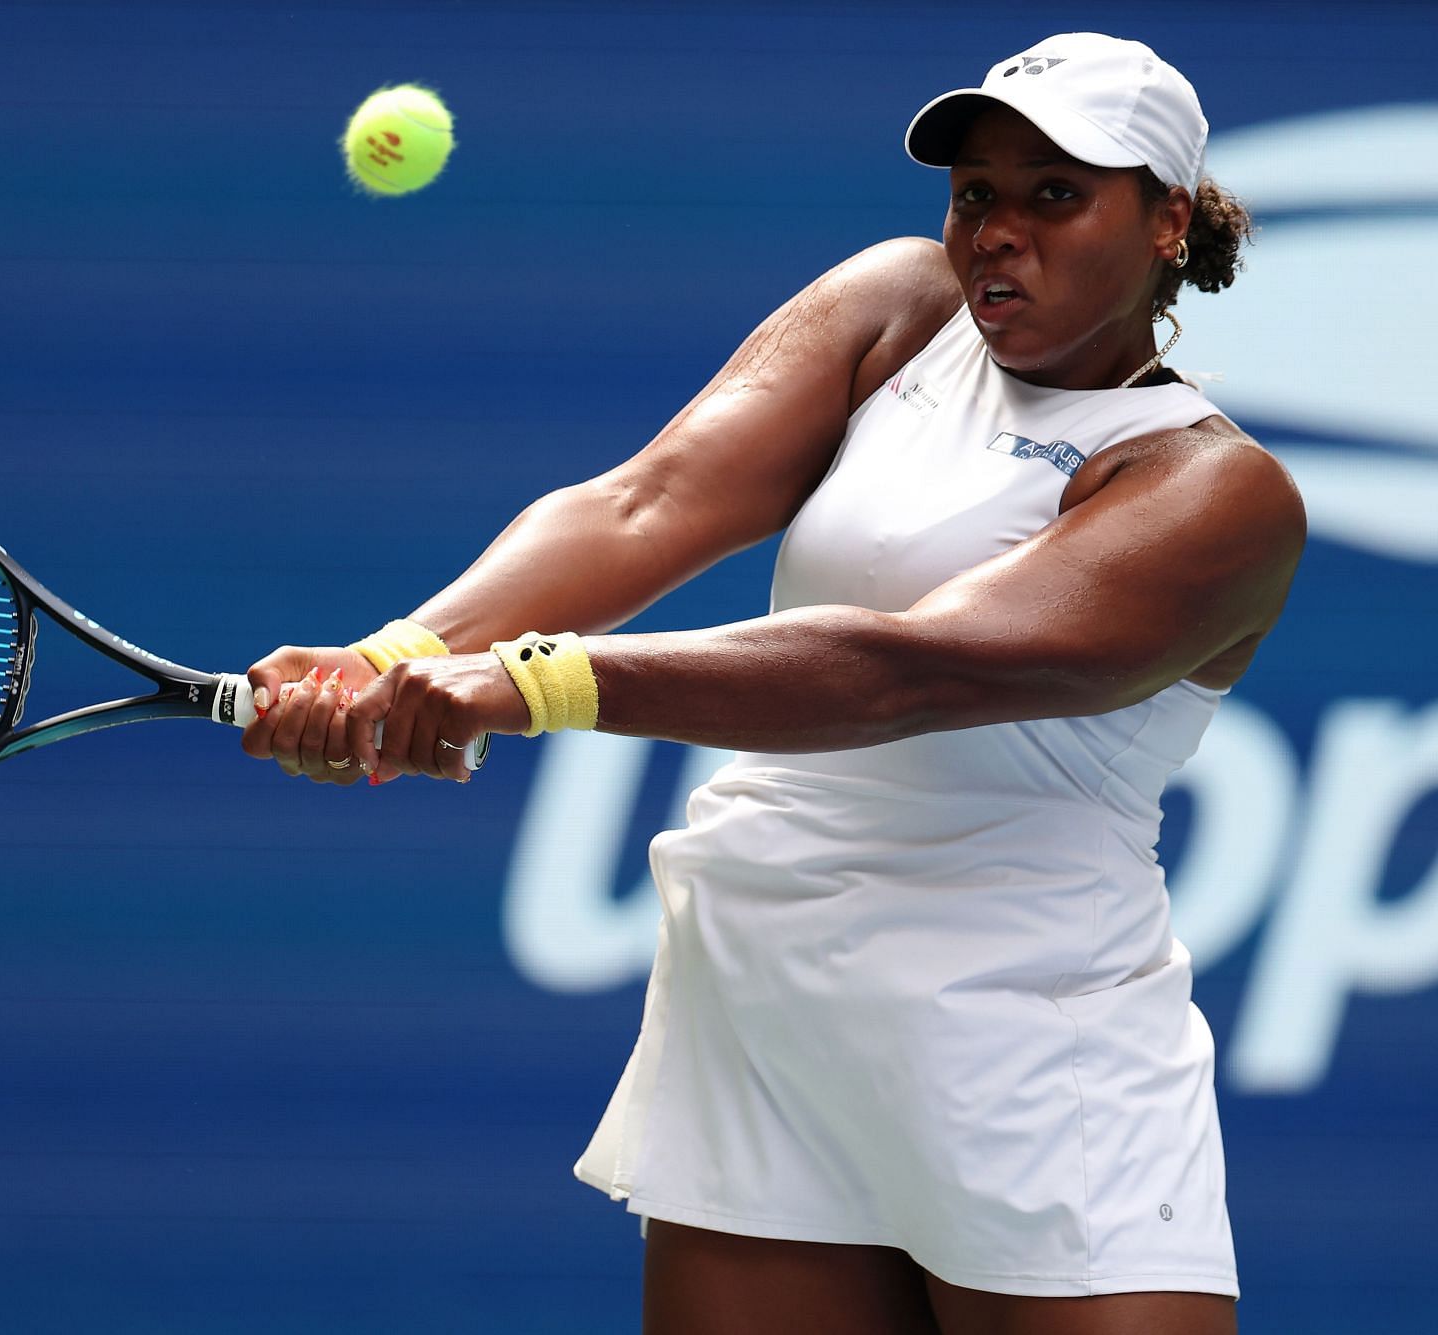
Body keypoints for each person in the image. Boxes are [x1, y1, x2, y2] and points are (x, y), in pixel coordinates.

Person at [241, 32, 1302, 1335]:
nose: (998, 233)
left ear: (1167, 222)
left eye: (1054, 194)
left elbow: (898, 667)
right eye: (976, 192)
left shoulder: (1212, 492)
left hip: (1031, 1041)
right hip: (773, 992)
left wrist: (516, 685)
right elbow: (646, 503)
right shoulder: (897, 311)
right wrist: (397, 655)